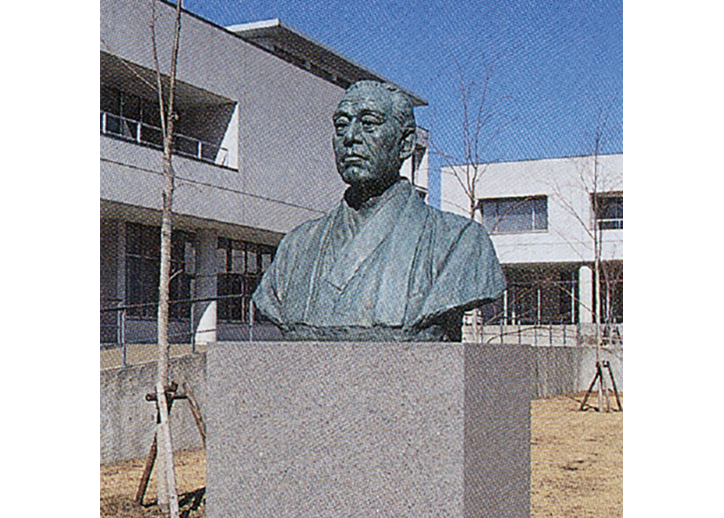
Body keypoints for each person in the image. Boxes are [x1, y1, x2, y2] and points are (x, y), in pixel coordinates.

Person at [252, 80, 505, 341]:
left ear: (405, 144)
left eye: (369, 123)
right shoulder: (297, 245)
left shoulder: (461, 241)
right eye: (341, 125)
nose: (350, 137)